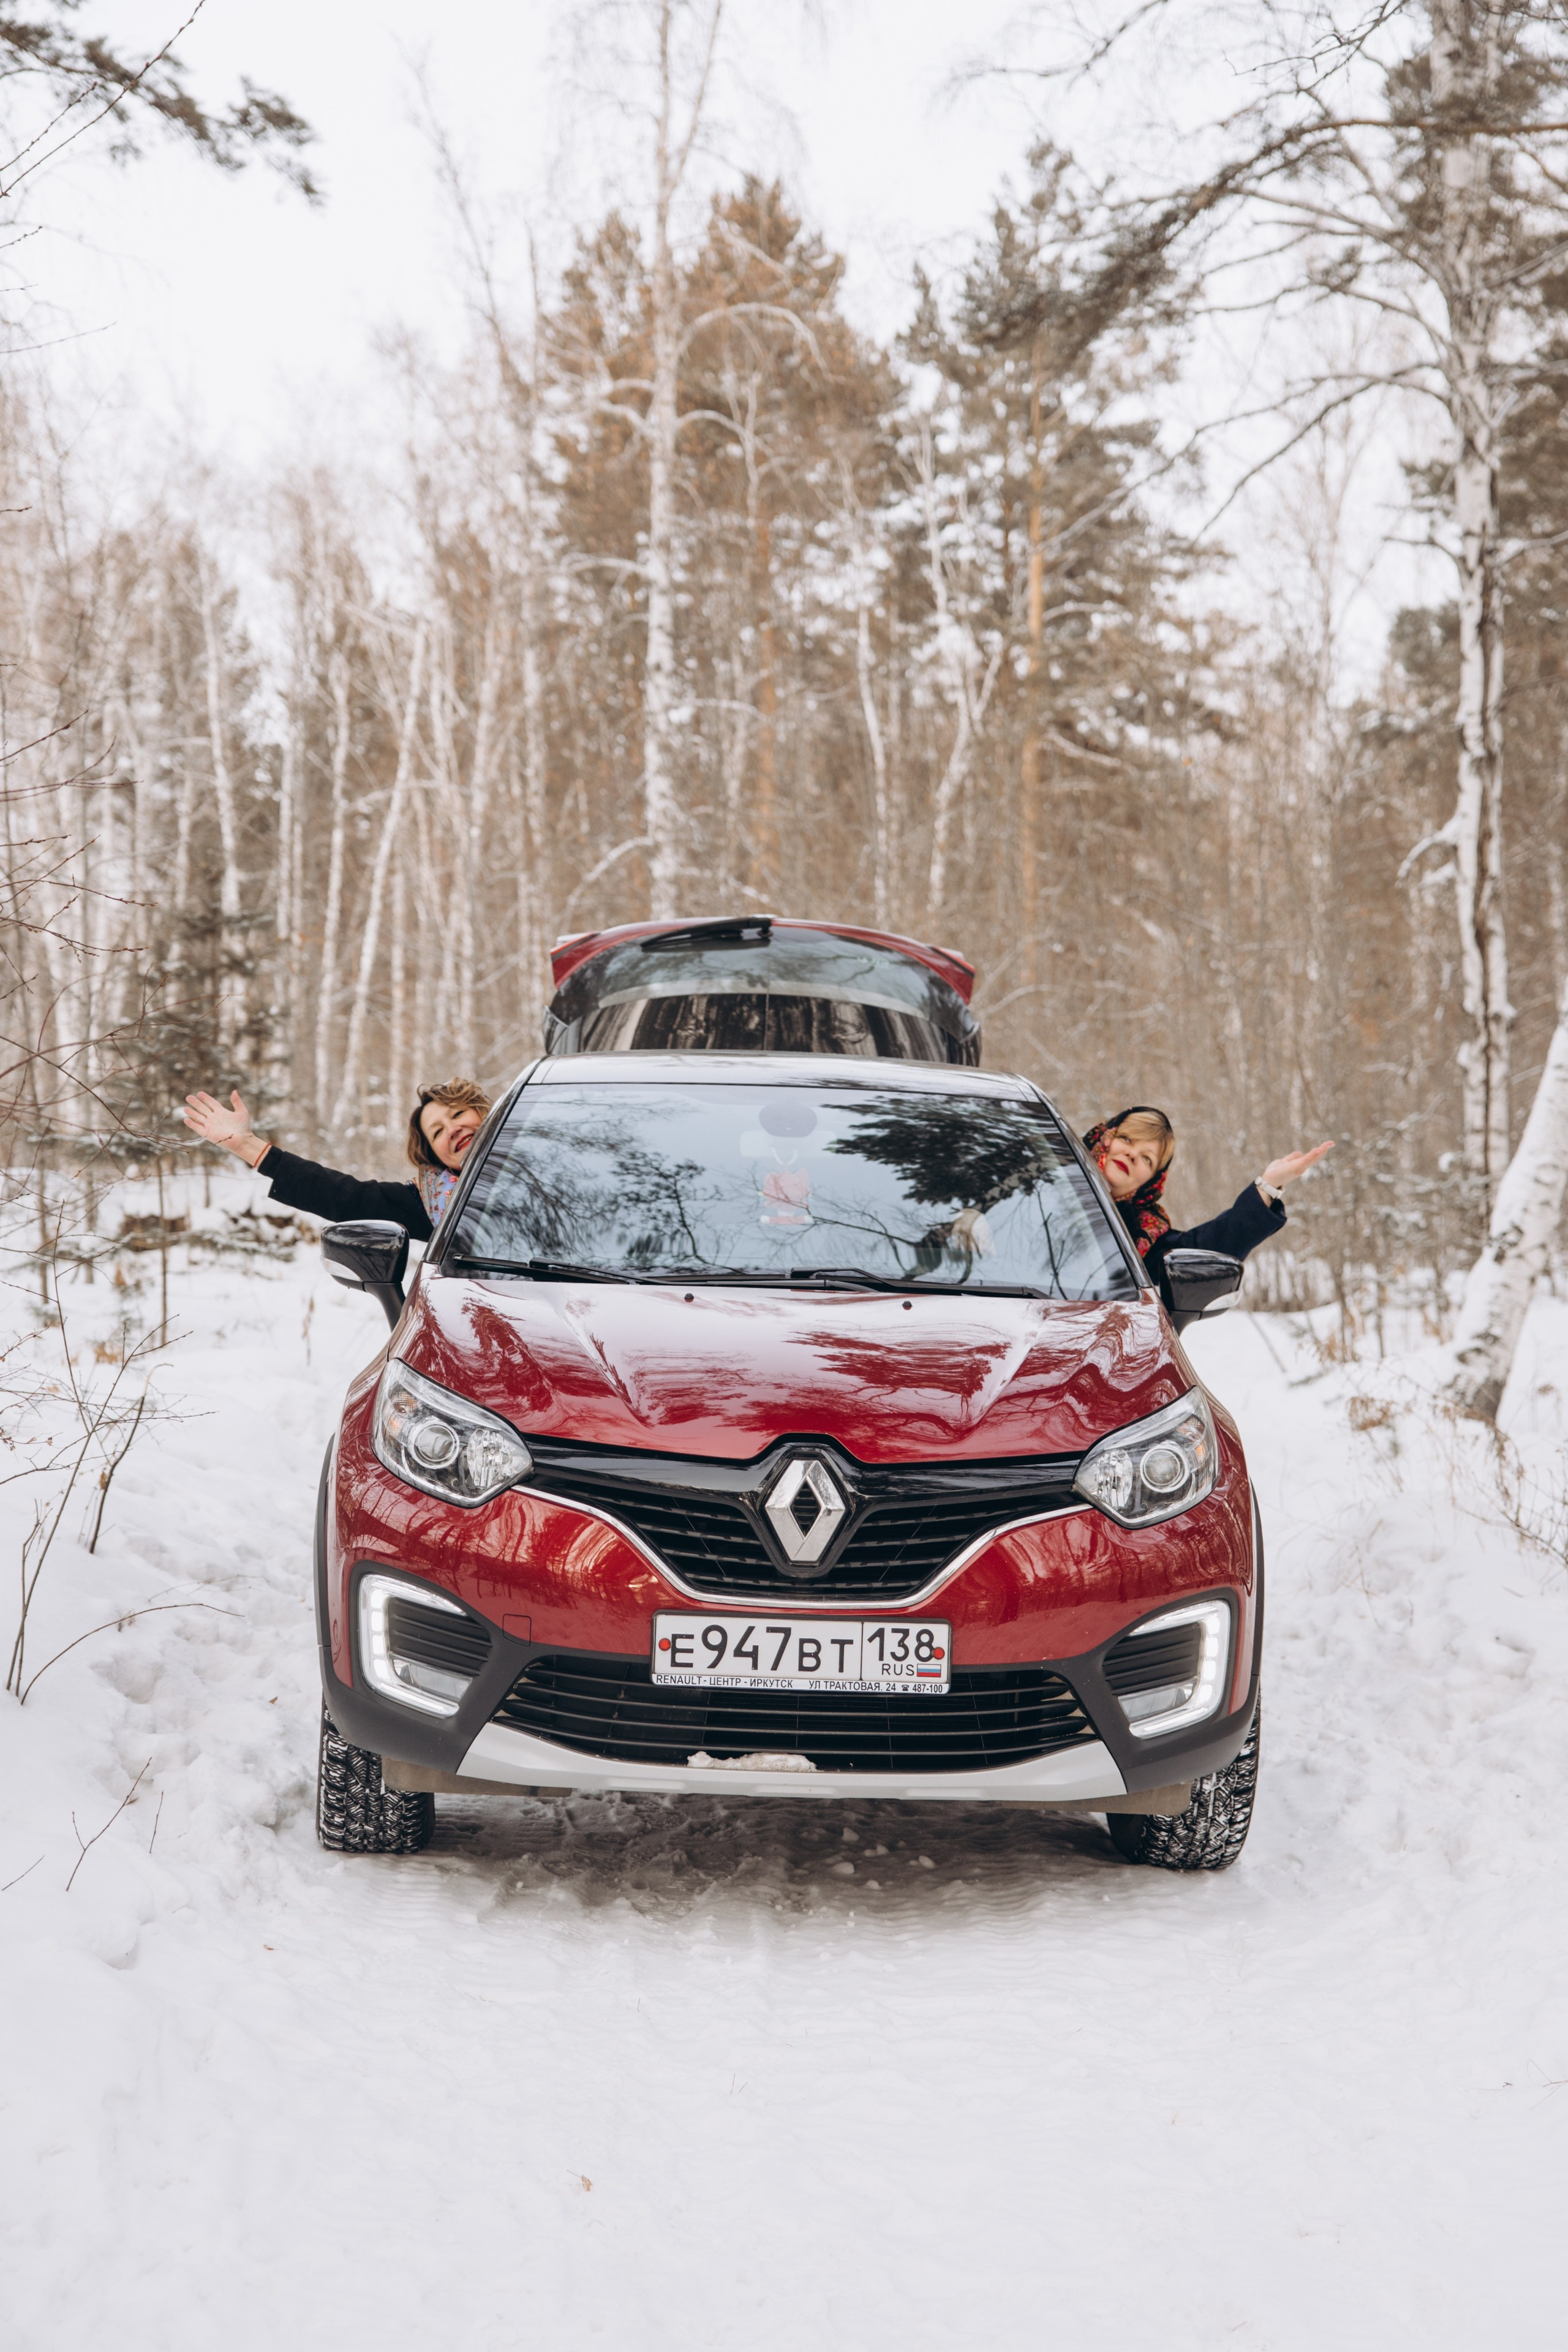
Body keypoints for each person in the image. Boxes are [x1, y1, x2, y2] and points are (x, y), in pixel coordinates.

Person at [179, 1079, 492, 1245]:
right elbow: (346, 1196)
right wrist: (249, 1146)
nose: (453, 1130)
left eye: (458, 1114)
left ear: (484, 1111)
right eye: (437, 1132)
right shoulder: (433, 1204)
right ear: (435, 1157)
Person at [1084, 1104, 1333, 1281]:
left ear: (1152, 1182)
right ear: (1107, 1136)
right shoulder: (1058, 1164)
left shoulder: (1142, 1237)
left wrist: (1268, 1185)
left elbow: (1206, 1249)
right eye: (1127, 1139)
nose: (1132, 1155)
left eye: (1147, 1159)